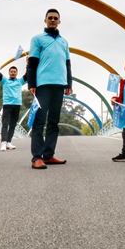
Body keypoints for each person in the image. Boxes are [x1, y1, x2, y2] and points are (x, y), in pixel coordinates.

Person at [27, 9, 72, 170]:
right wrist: (31, 83)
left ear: (59, 21)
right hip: (43, 85)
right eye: (50, 18)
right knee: (39, 121)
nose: (53, 20)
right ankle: (37, 157)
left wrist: (69, 84)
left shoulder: (64, 42)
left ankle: (48, 154)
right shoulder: (37, 39)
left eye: (55, 18)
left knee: (54, 122)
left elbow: (67, 64)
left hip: (59, 85)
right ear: (45, 20)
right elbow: (32, 63)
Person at [0, 64, 27, 152]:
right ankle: (3, 142)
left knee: (13, 125)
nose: (13, 73)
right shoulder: (5, 81)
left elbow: (27, 75)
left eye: (14, 72)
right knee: (5, 124)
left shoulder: (20, 81)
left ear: (17, 73)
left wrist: (28, 64)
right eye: (11, 72)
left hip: (17, 105)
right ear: (9, 73)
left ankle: (8, 142)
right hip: (7, 105)